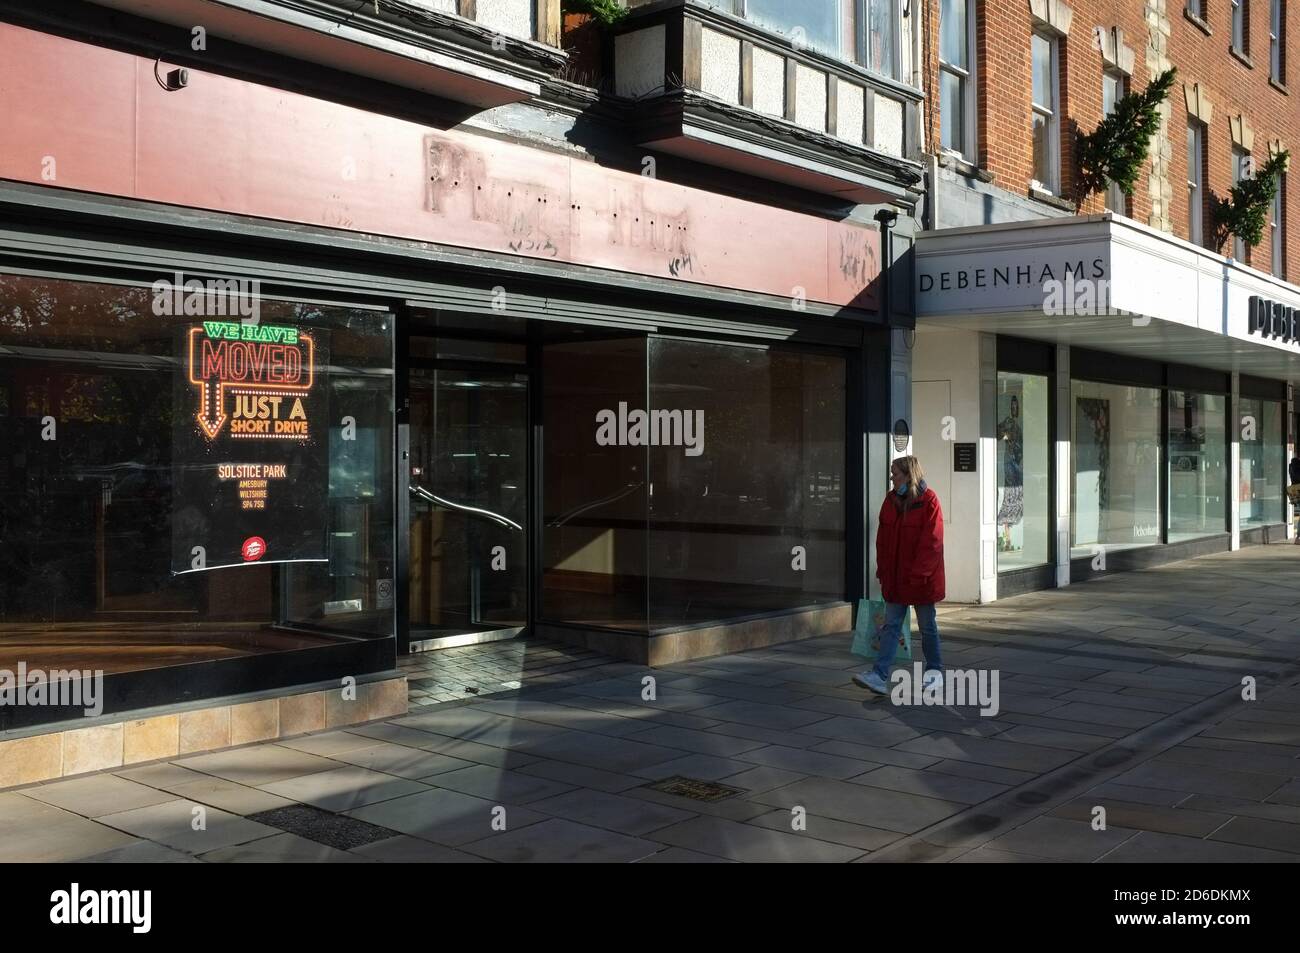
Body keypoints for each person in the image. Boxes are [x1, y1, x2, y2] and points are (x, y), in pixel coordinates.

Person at [854, 455, 946, 695]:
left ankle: (934, 672)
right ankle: (879, 675)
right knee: (891, 626)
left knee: (927, 626)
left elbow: (932, 543)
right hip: (895, 579)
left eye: (895, 473)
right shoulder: (891, 500)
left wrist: (920, 574)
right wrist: (883, 570)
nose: (892, 477)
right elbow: (882, 540)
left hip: (920, 581)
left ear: (908, 475)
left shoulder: (929, 501)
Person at [1289, 454, 1300, 544]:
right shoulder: (1297, 465)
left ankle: (1298, 538)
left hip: (1295, 491)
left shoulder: (1292, 465)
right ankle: (1298, 538)